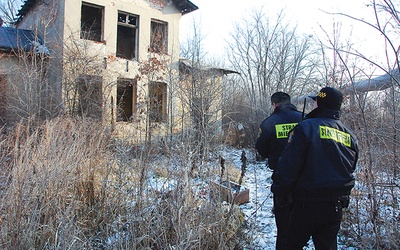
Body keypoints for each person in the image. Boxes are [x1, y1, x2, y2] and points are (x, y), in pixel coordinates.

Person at [271, 87, 359, 249]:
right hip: (335, 206)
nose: (312, 105)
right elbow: (351, 168)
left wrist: (280, 194)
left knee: (289, 245)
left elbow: (288, 167)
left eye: (315, 101)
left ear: (320, 104)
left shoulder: (305, 128)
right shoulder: (349, 136)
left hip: (305, 204)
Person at [255, 91, 303, 250]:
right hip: (306, 181)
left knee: (284, 228)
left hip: (282, 181)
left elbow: (261, 149)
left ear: (274, 104)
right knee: (302, 227)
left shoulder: (270, 122)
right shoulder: (306, 119)